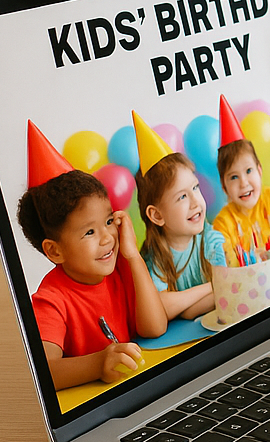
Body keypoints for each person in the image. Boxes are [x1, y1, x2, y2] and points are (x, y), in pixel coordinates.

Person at [18, 121, 168, 390]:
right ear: (54, 250)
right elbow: (42, 372)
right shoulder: (51, 301)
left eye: (109, 221)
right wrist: (97, 364)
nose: (107, 237)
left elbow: (155, 327)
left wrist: (133, 255)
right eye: (89, 232)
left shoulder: (120, 265)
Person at [136, 135, 226, 321]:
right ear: (157, 215)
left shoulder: (211, 241)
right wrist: (210, 287)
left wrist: (185, 308)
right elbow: (162, 308)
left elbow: (226, 289)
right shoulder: (156, 257)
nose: (195, 202)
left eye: (195, 188)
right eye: (182, 197)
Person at [213, 100, 270, 261]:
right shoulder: (222, 224)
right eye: (234, 177)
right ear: (224, 187)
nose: (244, 183)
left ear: (260, 170)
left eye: (249, 171)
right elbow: (227, 266)